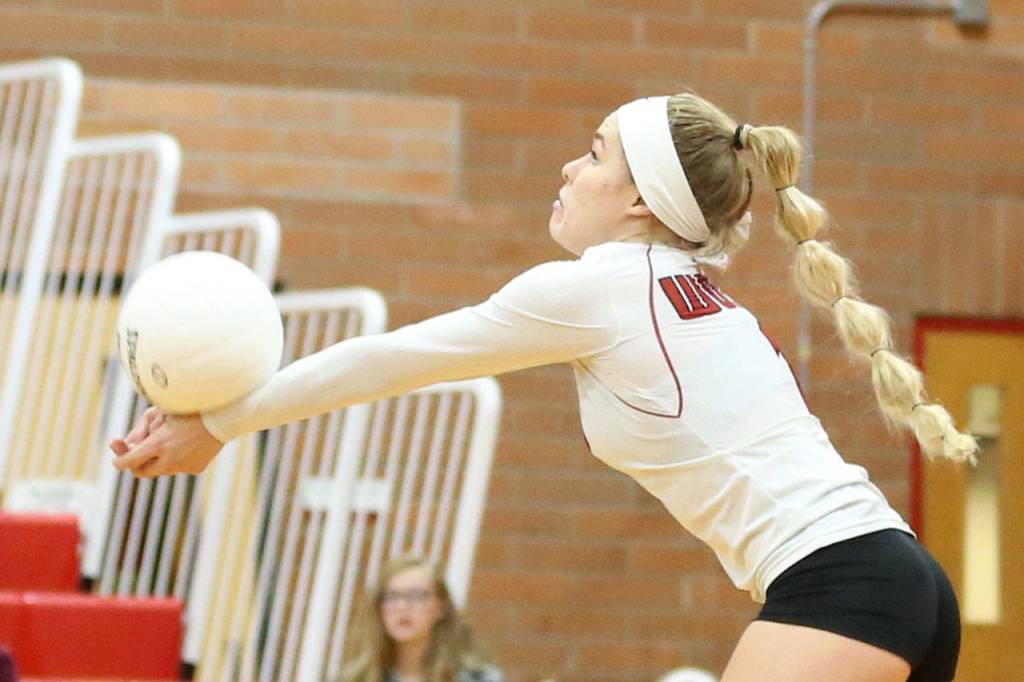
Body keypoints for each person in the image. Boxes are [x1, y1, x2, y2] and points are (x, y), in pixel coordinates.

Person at [111, 92, 974, 682]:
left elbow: (391, 359)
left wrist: (223, 421)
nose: (569, 169)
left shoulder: (600, 285)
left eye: (594, 154)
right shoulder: (694, 290)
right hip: (901, 581)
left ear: (641, 199)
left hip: (842, 585)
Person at [339, 555, 503, 682]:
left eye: (416, 595)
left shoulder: (476, 677)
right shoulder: (356, 678)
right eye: (392, 596)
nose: (402, 606)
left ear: (440, 607)